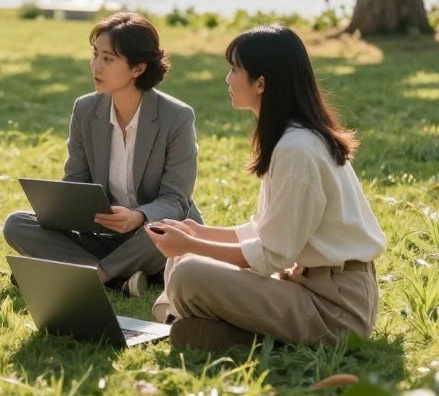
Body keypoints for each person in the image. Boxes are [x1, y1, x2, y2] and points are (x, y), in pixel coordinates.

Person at [146, 24, 386, 352]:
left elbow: (273, 254)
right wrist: (196, 235)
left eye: (234, 69)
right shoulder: (290, 139)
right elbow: (265, 232)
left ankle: (208, 328)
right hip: (304, 286)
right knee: (183, 260)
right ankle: (216, 331)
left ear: (260, 83)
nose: (227, 79)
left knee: (188, 272)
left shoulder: (297, 149)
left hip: (336, 309)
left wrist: (193, 245)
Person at [3, 12, 201, 296]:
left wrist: (137, 216)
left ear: (138, 68)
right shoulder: (85, 110)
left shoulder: (176, 117)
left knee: (169, 230)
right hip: (101, 233)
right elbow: (76, 181)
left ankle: (95, 274)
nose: (96, 65)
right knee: (16, 224)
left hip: (151, 233)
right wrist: (64, 207)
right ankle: (120, 278)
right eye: (95, 54)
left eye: (108, 59)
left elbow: (176, 200)